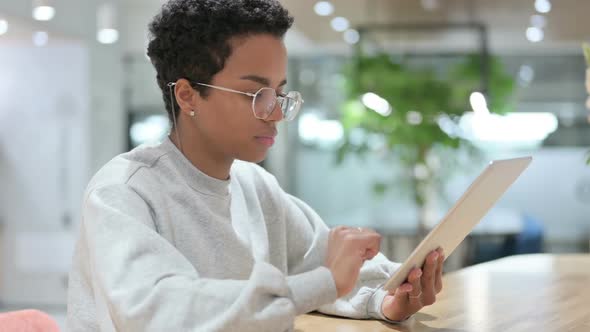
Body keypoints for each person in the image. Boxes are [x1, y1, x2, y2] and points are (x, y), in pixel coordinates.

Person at [66, 0, 444, 331]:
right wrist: (326, 281)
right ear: (187, 95)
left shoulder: (255, 186)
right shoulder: (123, 192)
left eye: (279, 93)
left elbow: (318, 271)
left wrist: (388, 299)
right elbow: (159, 313)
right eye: (255, 94)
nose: (276, 112)